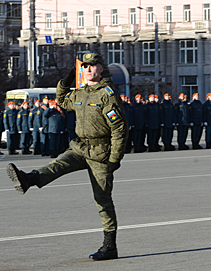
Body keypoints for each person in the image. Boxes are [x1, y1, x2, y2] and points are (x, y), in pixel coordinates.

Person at [6, 52, 128, 260]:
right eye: (85, 66)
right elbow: (61, 100)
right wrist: (67, 79)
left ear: (100, 69)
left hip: (100, 153)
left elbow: (119, 128)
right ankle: (29, 179)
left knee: (102, 199)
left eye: (92, 66)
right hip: (80, 147)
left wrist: (114, 159)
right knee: (57, 165)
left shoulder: (107, 94)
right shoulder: (80, 94)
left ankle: (110, 246)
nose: (88, 69)